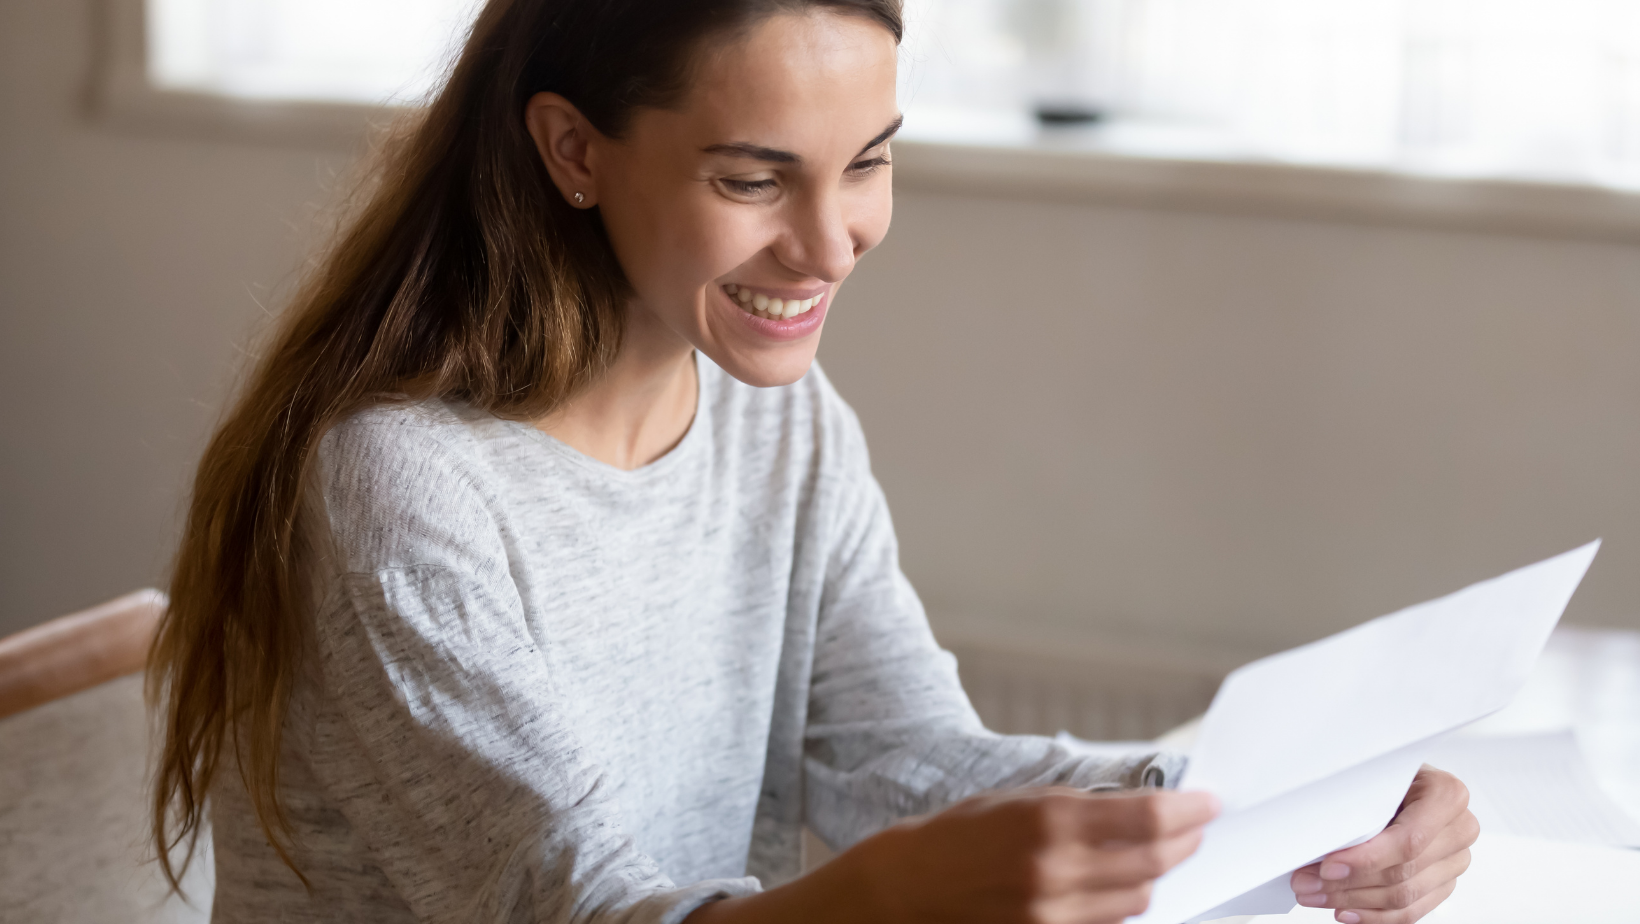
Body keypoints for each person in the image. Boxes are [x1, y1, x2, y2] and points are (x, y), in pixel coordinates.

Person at [148, 1, 1480, 922]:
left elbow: (898, 753)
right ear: (574, 150)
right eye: (753, 180)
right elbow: (583, 913)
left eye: (870, 163)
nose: (833, 241)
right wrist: (875, 901)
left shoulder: (771, 419)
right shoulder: (403, 486)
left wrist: (1298, 810)